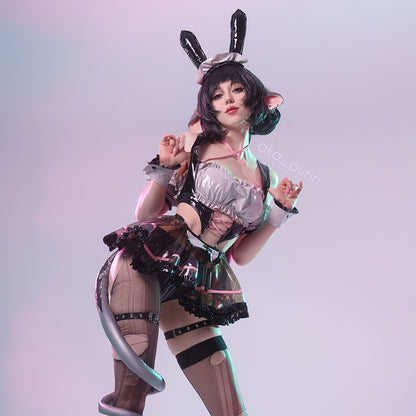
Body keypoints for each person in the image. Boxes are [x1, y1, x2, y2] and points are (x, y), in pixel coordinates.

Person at [97, 9, 302, 416]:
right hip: (146, 261)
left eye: (236, 90)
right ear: (208, 105)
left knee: (230, 408)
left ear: (255, 98)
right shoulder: (195, 144)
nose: (228, 100)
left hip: (196, 282)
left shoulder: (267, 176)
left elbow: (240, 255)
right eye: (218, 95)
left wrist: (277, 212)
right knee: (131, 391)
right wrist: (163, 170)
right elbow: (145, 215)